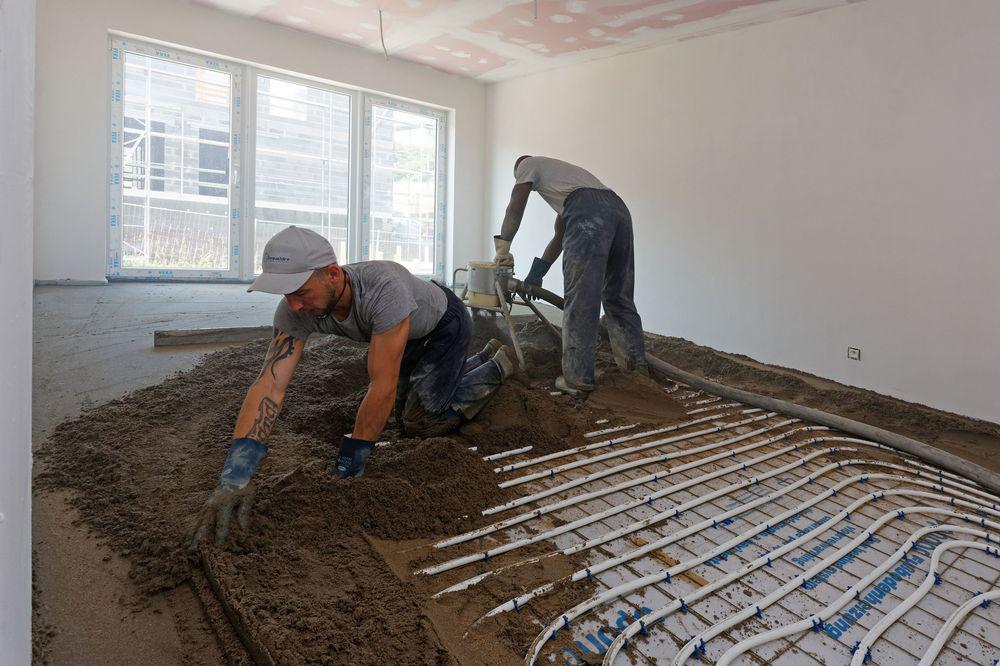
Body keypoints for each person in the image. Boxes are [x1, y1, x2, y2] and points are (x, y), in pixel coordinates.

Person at [191, 226, 516, 544]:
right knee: (403, 413)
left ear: (332, 274)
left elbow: (381, 386)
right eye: (286, 295)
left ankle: (497, 365)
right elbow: (270, 384)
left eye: (301, 292)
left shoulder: (382, 290)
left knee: (422, 422)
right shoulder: (296, 309)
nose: (294, 306)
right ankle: (474, 361)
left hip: (444, 324)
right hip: (405, 334)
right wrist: (235, 475)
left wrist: (350, 461)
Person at [494, 155, 647, 396]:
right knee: (619, 297)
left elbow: (516, 203)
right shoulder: (569, 186)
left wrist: (503, 244)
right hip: (619, 210)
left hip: (589, 213)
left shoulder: (526, 164)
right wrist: (538, 272)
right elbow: (559, 238)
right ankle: (636, 372)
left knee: (581, 299)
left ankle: (577, 378)